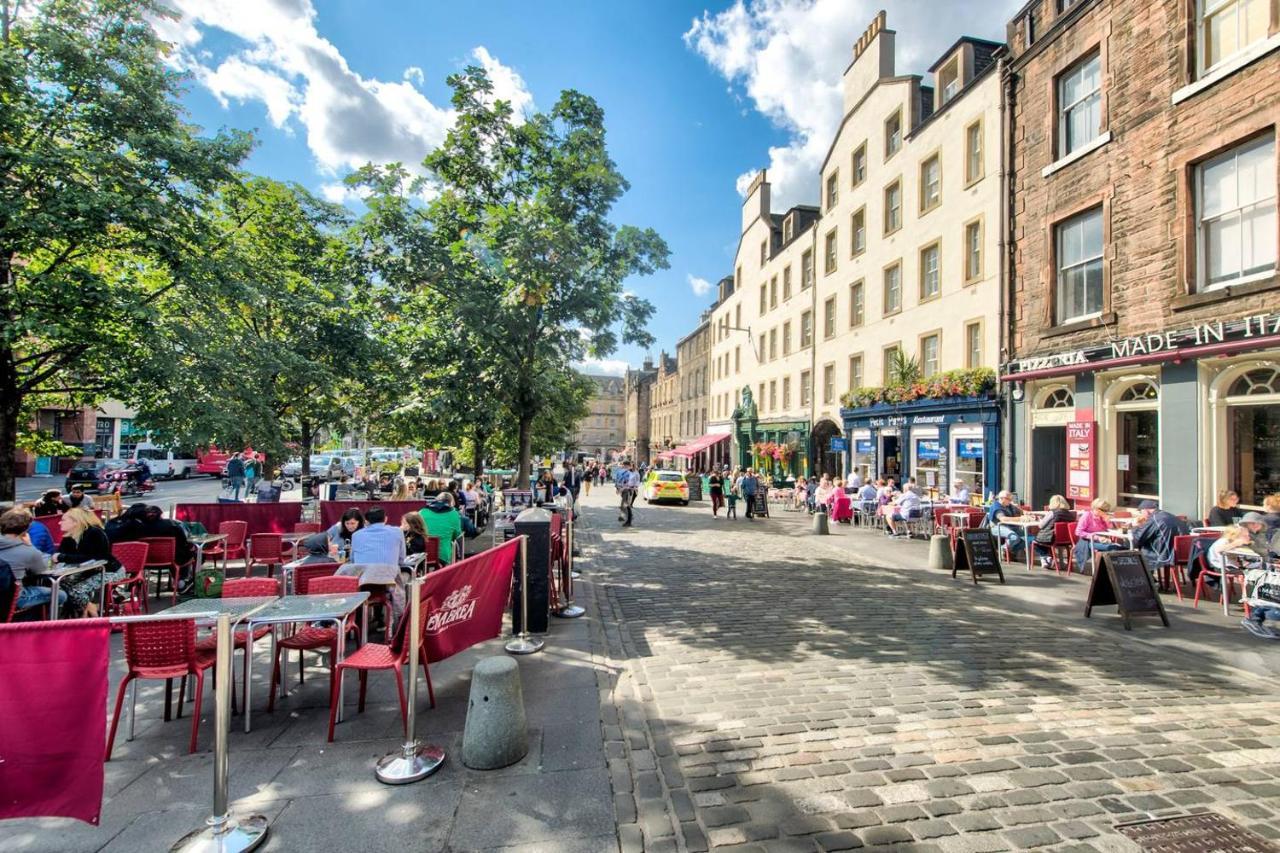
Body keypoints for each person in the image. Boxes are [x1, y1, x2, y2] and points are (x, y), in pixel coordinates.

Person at [56, 507, 123, 617]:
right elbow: (62, 555)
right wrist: (61, 557)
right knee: (62, 583)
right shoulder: (69, 536)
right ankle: (90, 608)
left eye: (63, 520)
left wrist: (62, 557)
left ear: (76, 521)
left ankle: (93, 614)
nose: (59, 522)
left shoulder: (94, 533)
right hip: (87, 571)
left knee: (76, 591)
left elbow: (94, 557)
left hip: (110, 570)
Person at [0, 508, 66, 615]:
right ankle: (43, 624)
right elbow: (40, 570)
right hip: (12, 598)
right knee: (60, 595)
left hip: (4, 594)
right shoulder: (28, 551)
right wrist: (30, 545)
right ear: (26, 529)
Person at [1131, 499, 1190, 571]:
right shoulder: (1171, 516)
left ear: (1146, 510)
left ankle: (1147, 579)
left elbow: (1138, 538)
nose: (1141, 515)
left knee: (1140, 551)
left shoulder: (1154, 519)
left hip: (1165, 556)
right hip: (1183, 554)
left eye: (1141, 512)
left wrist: (1135, 527)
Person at [1032, 495, 1076, 570]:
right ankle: (1047, 559)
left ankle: (1046, 558)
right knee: (1042, 542)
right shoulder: (1071, 514)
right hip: (1066, 540)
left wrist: (1040, 520)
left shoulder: (1052, 513)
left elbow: (1041, 526)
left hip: (1051, 538)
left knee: (1034, 542)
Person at [1074, 498, 1117, 570]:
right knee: (1112, 549)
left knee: (1118, 548)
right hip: (1087, 541)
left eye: (1107, 511)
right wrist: (1096, 537)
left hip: (1102, 540)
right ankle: (1101, 571)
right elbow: (1078, 532)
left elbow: (1111, 529)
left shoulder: (1102, 517)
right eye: (1105, 511)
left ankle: (1107, 569)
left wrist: (1107, 520)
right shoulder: (1087, 515)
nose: (1106, 513)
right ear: (1097, 509)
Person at [420, 492, 464, 562]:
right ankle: (460, 561)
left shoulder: (422, 512)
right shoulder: (453, 514)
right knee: (459, 538)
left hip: (421, 554)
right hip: (442, 555)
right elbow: (456, 534)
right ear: (451, 503)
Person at [987, 490, 1026, 560]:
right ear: (1002, 498)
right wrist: (1020, 518)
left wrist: (1028, 514)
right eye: (1009, 499)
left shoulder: (1009, 505)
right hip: (997, 527)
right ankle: (1002, 549)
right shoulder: (996, 506)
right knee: (1014, 537)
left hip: (1010, 526)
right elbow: (1003, 519)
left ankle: (1009, 551)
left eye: (1011, 499)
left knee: (1027, 538)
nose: (1011, 501)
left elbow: (1022, 511)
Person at [618, 461, 640, 527]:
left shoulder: (636, 473)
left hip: (631, 491)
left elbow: (637, 482)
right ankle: (627, 518)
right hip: (624, 490)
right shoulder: (627, 472)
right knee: (625, 506)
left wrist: (635, 487)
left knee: (627, 506)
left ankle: (628, 520)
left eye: (632, 466)